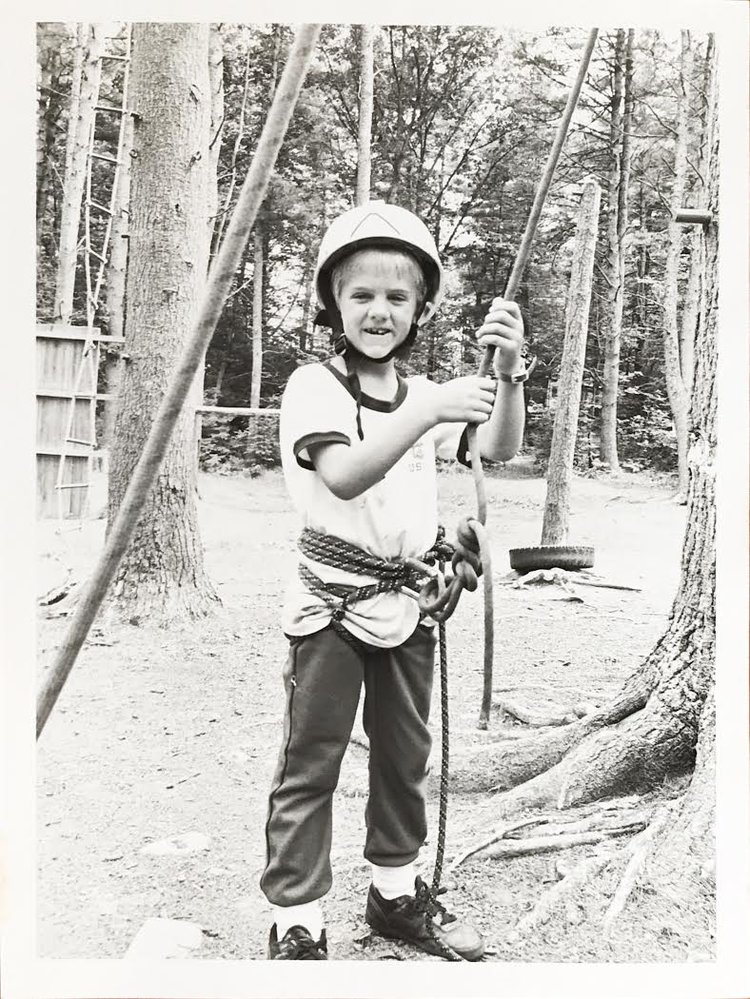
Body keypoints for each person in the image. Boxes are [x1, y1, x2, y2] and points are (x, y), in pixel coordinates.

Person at [260, 202, 530, 961]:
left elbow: (498, 446)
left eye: (398, 298)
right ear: (332, 304)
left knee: (403, 755)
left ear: (420, 309)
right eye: (362, 295)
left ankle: (395, 889)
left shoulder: (425, 395)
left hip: (408, 607)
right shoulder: (314, 387)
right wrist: (430, 410)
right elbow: (343, 474)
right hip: (330, 607)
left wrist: (505, 375)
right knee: (310, 760)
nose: (379, 311)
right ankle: (298, 917)